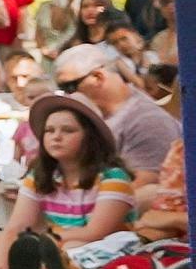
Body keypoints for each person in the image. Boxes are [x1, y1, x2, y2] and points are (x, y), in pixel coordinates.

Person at [0, 94, 132, 269]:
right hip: (50, 243)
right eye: (49, 131)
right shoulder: (40, 175)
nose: (56, 136)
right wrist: (0, 260)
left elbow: (95, 232)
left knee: (72, 248)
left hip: (100, 247)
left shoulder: (113, 177)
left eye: (68, 130)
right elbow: (16, 226)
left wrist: (45, 240)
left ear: (89, 136)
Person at [54, 41, 178, 175]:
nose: (67, 95)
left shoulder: (148, 121)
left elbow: (144, 185)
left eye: (69, 87)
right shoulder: (86, 116)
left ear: (97, 77)